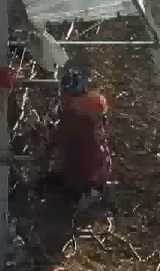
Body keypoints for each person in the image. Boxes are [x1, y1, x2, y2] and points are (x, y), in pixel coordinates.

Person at [48, 64, 114, 211]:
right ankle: (92, 192)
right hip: (100, 170)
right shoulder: (95, 111)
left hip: (84, 177)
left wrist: (39, 128)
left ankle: (81, 198)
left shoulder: (75, 117)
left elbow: (56, 138)